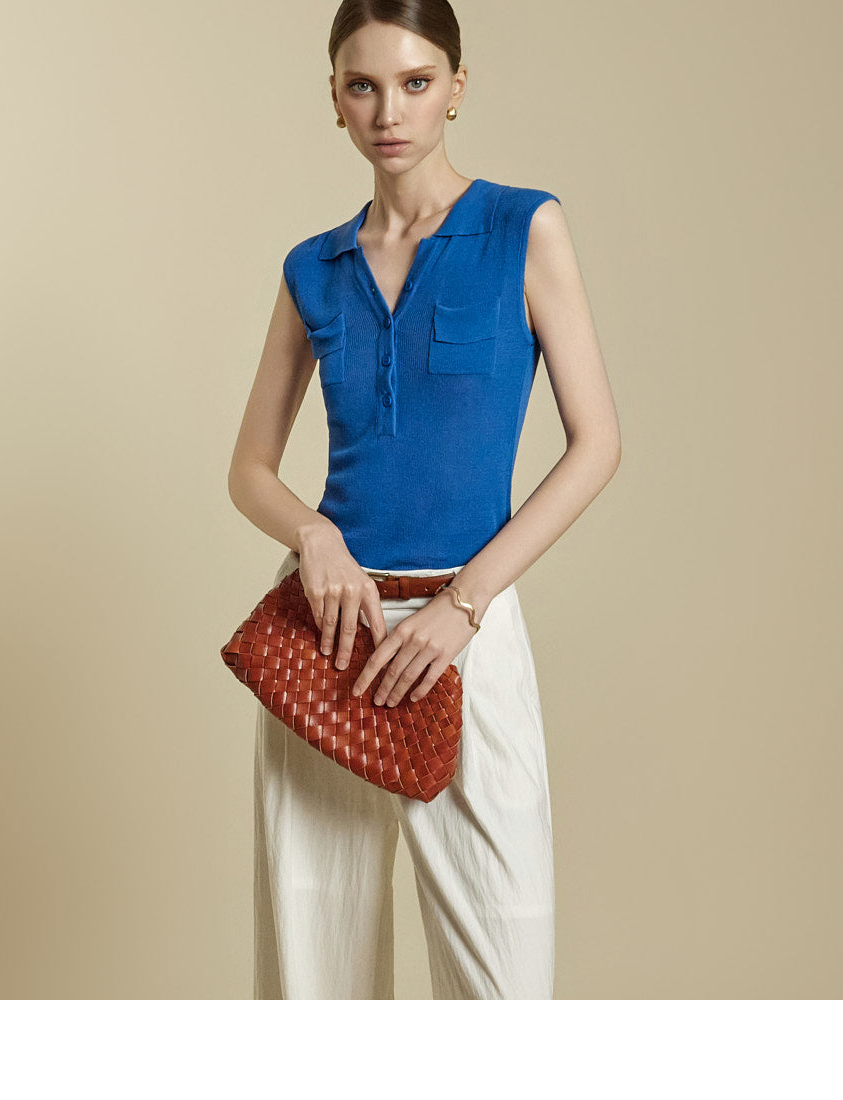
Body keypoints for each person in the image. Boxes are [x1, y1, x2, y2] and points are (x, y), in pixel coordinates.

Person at [228, 0, 621, 999]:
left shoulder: (522, 228)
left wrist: (464, 604)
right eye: (362, 86)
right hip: (328, 632)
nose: (388, 111)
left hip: (467, 630)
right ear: (334, 99)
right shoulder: (312, 267)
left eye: (414, 82)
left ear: (456, 87)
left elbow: (597, 445)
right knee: (315, 982)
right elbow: (250, 469)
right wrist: (313, 537)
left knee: (502, 985)